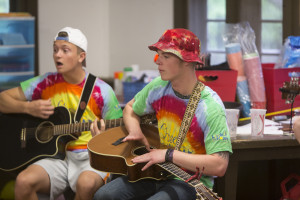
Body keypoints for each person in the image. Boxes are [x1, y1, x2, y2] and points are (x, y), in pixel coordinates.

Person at [92, 28, 233, 200]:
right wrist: (135, 130)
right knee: (103, 196)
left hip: (189, 181)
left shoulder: (210, 105)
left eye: (166, 56)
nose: (158, 61)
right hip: (157, 172)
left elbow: (219, 165)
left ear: (187, 61)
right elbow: (130, 109)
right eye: (158, 55)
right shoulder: (159, 86)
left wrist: (168, 155)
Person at [0, 27, 123, 200]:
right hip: (54, 155)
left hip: (89, 157)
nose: (58, 55)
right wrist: (29, 108)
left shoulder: (101, 91)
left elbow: (120, 133)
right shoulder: (45, 82)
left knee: (85, 184)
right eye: (55, 49)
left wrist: (103, 138)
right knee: (24, 181)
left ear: (81, 56)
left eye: (65, 50)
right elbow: (3, 100)